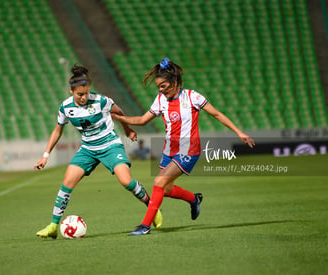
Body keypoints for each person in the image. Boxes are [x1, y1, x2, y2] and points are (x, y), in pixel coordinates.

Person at [112, 58, 255, 236]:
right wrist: (120, 119)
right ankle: (194, 199)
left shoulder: (192, 97)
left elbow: (217, 114)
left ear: (175, 82)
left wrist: (239, 132)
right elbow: (142, 120)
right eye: (159, 86)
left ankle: (144, 226)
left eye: (163, 86)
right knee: (166, 189)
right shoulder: (160, 100)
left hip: (189, 150)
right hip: (169, 150)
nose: (160, 90)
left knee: (158, 182)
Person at [34, 64, 162, 239]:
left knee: (126, 181)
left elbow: (119, 112)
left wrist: (127, 129)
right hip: (88, 149)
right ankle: (53, 226)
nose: (84, 97)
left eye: (86, 93)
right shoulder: (65, 107)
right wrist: (45, 155)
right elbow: (57, 130)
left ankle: (152, 207)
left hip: (110, 145)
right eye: (80, 94)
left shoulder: (101, 100)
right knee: (67, 183)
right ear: (71, 91)